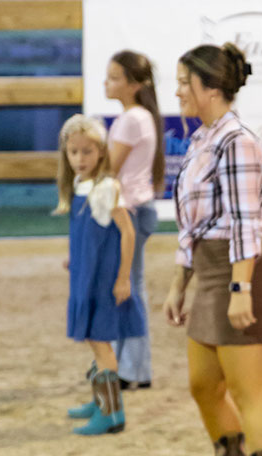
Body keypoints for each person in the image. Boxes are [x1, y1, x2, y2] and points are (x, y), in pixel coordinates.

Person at [163, 43, 262, 456]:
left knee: (249, 394)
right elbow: (191, 225)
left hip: (239, 273)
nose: (176, 92)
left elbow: (245, 223)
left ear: (210, 88)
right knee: (201, 385)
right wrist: (179, 283)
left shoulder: (237, 141)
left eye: (182, 83)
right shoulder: (202, 140)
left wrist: (241, 288)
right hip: (210, 272)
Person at [57, 115, 146, 435]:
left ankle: (111, 413)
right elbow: (92, 233)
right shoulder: (81, 186)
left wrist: (123, 278)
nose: (80, 159)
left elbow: (127, 233)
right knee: (96, 342)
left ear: (101, 152)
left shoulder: (106, 187)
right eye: (74, 152)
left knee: (100, 341)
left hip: (103, 280)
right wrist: (76, 256)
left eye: (87, 152)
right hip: (86, 275)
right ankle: (99, 401)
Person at [105, 50, 164, 390]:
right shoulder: (140, 116)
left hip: (129, 210)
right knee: (130, 286)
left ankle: (130, 367)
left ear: (133, 85)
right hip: (137, 207)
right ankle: (129, 365)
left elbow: (110, 169)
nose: (107, 83)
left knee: (128, 287)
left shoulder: (131, 119)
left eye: (114, 78)